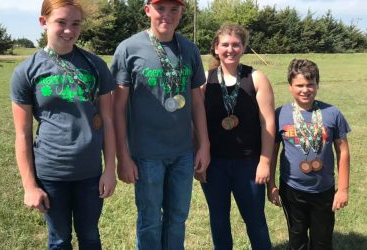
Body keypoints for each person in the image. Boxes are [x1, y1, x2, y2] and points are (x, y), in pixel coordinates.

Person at [11, 0, 117, 249]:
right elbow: (22, 134)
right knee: (59, 240)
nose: (69, 30)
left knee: (90, 236)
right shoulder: (26, 71)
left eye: (75, 23)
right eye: (61, 22)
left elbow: (108, 121)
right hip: (51, 174)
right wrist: (30, 185)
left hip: (90, 174)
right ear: (43, 22)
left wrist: (109, 169)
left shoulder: (96, 66)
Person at [110, 0, 210, 249]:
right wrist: (123, 156)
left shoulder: (189, 49)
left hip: (182, 153)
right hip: (146, 155)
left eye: (174, 9)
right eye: (160, 8)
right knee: (150, 220)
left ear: (182, 12)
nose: (167, 15)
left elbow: (197, 102)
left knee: (177, 218)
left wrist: (204, 145)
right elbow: (118, 107)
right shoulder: (128, 49)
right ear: (147, 11)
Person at [199, 23, 275, 250]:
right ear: (215, 48)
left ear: (243, 48)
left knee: (255, 219)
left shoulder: (256, 77)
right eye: (225, 44)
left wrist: (265, 161)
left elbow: (268, 122)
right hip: (215, 164)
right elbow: (197, 123)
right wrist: (200, 158)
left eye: (236, 45)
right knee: (219, 220)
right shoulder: (204, 80)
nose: (230, 49)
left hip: (249, 163)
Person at [268, 59, 351, 250]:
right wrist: (271, 185)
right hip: (292, 190)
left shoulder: (332, 113)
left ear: (317, 85)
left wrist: (343, 189)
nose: (305, 90)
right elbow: (272, 153)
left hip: (324, 190)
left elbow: (343, 151)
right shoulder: (280, 114)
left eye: (310, 84)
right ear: (290, 86)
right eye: (299, 85)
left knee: (322, 240)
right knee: (297, 239)